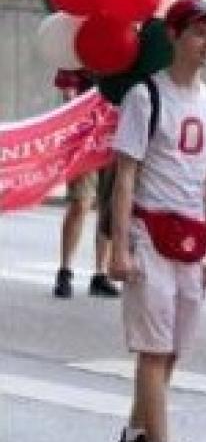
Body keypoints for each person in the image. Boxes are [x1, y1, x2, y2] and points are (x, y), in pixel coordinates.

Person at [109, 0, 206, 442]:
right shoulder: (146, 96)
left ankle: (134, 438)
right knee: (155, 351)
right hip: (148, 237)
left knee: (173, 350)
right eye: (200, 32)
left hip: (191, 239)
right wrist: (120, 248)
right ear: (176, 37)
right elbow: (125, 177)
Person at [52, 67, 119, 299]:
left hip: (115, 132)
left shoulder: (127, 41)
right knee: (81, 202)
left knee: (109, 207)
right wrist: (72, 104)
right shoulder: (78, 44)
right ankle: (65, 270)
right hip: (84, 136)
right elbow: (68, 86)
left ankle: (100, 274)